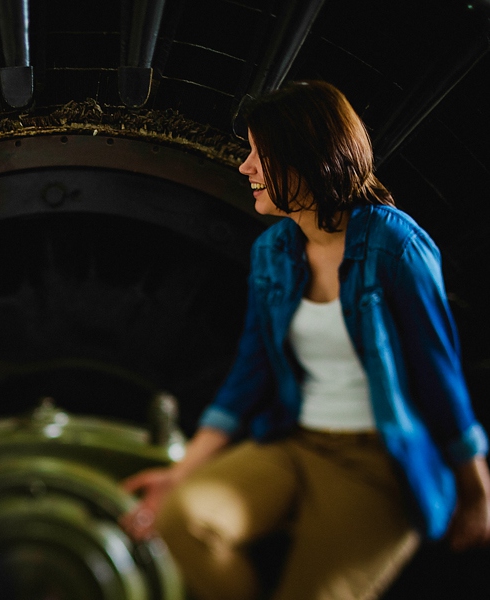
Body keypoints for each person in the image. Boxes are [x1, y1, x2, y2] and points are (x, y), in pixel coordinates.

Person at [120, 80, 490, 600]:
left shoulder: (396, 247)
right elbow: (249, 375)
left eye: (259, 154)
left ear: (308, 159)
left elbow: (439, 372)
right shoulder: (274, 251)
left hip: (380, 465)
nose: (245, 166)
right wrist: (181, 474)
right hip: (297, 444)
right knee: (186, 520)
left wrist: (476, 492)